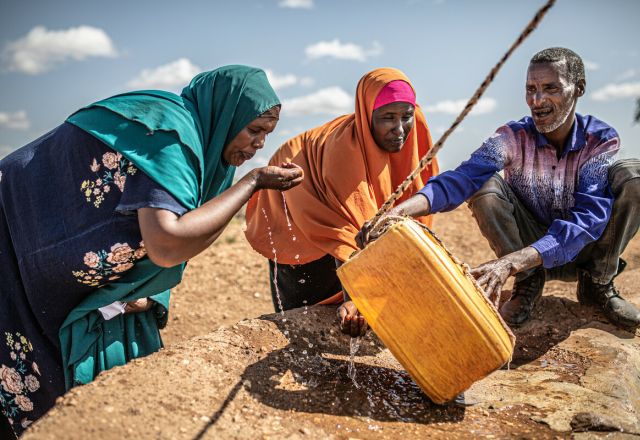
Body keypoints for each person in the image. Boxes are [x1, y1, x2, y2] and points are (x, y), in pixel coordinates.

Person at [0, 65, 303, 437]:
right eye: (254, 131)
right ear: (225, 114)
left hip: (52, 254)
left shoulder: (209, 158)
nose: (259, 145)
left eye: (266, 135)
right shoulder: (170, 133)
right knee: (21, 355)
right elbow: (166, 242)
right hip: (15, 231)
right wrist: (254, 181)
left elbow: (182, 239)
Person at [360, 48, 640, 330]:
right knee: (483, 184)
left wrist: (509, 263)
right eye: (530, 89)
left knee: (632, 175)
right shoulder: (512, 137)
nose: (537, 100)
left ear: (578, 88)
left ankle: (598, 283)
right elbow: (462, 178)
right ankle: (529, 280)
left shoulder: (599, 140)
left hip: (584, 251)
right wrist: (399, 212)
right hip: (527, 254)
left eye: (550, 88)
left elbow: (587, 221)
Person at [244, 68, 439, 337]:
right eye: (387, 118)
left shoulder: (416, 134)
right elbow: (348, 230)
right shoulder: (344, 153)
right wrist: (357, 298)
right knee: (304, 320)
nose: (399, 128)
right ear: (366, 115)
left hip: (337, 213)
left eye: (406, 115)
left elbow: (418, 205)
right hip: (296, 202)